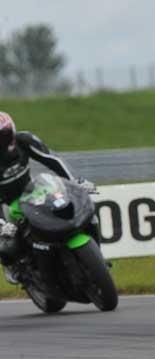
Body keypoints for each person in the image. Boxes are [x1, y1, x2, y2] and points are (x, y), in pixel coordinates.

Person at [0, 111, 96, 283]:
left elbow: (53, 160)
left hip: (31, 189)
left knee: (67, 204)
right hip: (5, 202)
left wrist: (76, 181)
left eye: (4, 135)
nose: (2, 141)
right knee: (9, 241)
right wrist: (2, 224)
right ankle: (11, 265)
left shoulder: (24, 140)